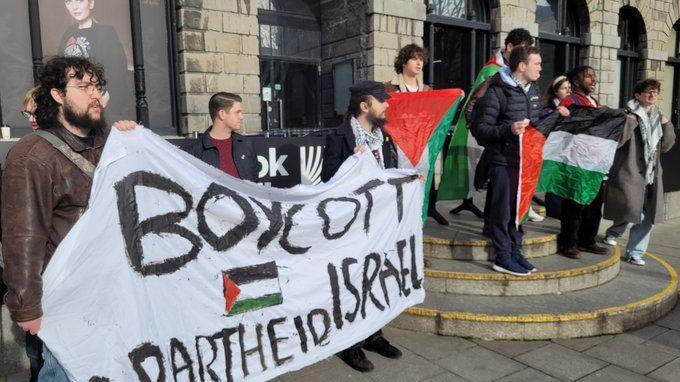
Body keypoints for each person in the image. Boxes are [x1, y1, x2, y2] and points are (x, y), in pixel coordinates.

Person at [1, 56, 136, 381]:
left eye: (97, 86)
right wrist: (27, 307)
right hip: (67, 300)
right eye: (83, 86)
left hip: (115, 291)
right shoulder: (32, 155)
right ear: (58, 95)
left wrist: (131, 139)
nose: (95, 94)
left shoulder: (109, 143)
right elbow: (23, 237)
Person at [321, 80, 402, 372]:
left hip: (380, 225)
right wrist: (351, 163)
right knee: (353, 282)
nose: (387, 105)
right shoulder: (339, 137)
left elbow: (389, 173)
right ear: (365, 107)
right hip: (353, 227)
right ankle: (350, 344)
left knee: (377, 279)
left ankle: (373, 334)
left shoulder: (385, 137)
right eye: (382, 101)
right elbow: (327, 178)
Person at [443, 28, 534, 219]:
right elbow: (477, 103)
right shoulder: (493, 70)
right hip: (496, 133)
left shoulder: (512, 72)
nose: (523, 55)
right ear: (509, 47)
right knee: (495, 178)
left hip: (508, 138)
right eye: (521, 49)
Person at [470, 46, 543, 276]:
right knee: (502, 212)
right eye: (537, 64)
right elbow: (480, 129)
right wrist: (508, 129)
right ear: (522, 66)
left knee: (518, 210)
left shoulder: (534, 90)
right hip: (502, 161)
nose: (541, 68)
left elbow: (536, 124)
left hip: (524, 163)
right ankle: (502, 257)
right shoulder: (497, 90)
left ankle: (515, 250)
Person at [602, 79, 675, 265]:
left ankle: (635, 252)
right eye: (648, 92)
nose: (652, 95)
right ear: (637, 95)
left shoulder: (659, 117)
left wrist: (667, 125)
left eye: (655, 92)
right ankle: (613, 233)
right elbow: (618, 141)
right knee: (630, 208)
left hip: (651, 174)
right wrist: (630, 122)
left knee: (648, 216)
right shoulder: (628, 114)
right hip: (630, 171)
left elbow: (666, 146)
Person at [384, 44, 448, 228]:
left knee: (419, 190)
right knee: (399, 192)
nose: (419, 63)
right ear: (404, 61)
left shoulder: (427, 90)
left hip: (421, 147)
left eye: (421, 59)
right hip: (397, 148)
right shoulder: (390, 88)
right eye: (414, 58)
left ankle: (415, 233)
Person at [557, 66, 609, 259]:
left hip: (594, 162)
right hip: (576, 162)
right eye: (588, 77)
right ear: (576, 82)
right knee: (574, 205)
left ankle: (587, 240)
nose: (593, 80)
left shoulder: (594, 101)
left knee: (595, 204)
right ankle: (568, 243)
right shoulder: (570, 101)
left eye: (594, 76)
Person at [59, 0, 131, 122]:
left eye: (80, 1)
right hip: (72, 100)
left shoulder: (106, 32)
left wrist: (106, 97)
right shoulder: (68, 33)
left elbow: (118, 69)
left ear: (91, 3)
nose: (75, 7)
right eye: (69, 2)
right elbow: (59, 68)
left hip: (98, 100)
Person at [184, 92, 257, 181]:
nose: (241, 117)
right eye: (237, 112)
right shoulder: (195, 151)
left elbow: (254, 184)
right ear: (222, 114)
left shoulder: (246, 145)